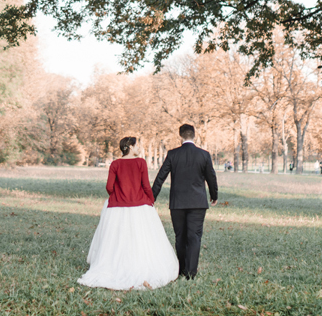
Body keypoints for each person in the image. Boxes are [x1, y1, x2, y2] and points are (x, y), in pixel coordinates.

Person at [78, 137, 179, 290]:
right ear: (131, 147)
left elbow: (109, 187)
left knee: (117, 237)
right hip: (139, 204)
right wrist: (151, 200)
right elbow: (145, 185)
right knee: (142, 237)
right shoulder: (140, 163)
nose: (139, 149)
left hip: (118, 205)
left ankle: (116, 265)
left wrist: (119, 193)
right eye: (137, 145)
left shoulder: (115, 164)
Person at [152, 124, 218, 280]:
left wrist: (152, 197)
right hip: (198, 202)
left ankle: (181, 270)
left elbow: (161, 176)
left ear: (180, 136)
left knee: (180, 236)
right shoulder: (204, 155)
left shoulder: (173, 154)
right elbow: (211, 177)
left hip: (178, 202)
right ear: (194, 136)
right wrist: (214, 195)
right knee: (194, 236)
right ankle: (191, 273)